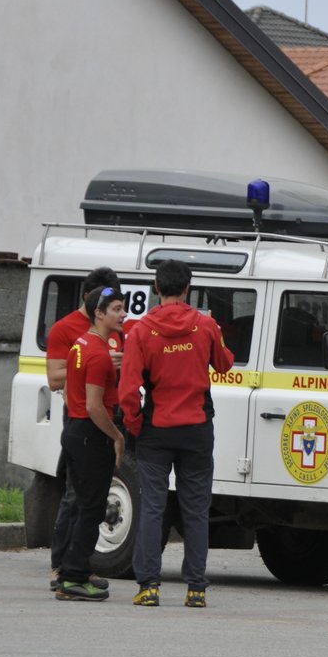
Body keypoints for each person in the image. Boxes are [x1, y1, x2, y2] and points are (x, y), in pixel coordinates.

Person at [118, 260, 234, 608]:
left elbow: (128, 391)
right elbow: (225, 363)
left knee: (153, 506)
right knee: (196, 510)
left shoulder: (140, 331)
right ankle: (196, 588)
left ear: (157, 288)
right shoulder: (206, 325)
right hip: (196, 430)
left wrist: (137, 424)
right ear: (188, 289)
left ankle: (149, 586)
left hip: (156, 430)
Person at [45, 266, 119, 594]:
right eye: (115, 308)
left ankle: (74, 570)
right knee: (86, 504)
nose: (123, 314)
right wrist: (116, 435)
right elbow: (88, 401)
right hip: (87, 427)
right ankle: (68, 570)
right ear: (97, 311)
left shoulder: (88, 343)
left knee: (87, 503)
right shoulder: (84, 343)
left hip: (81, 425)